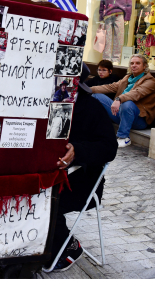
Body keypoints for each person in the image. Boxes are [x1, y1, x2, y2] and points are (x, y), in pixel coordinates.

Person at [44, 64, 117, 273]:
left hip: (82, 180)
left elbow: (109, 148)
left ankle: (68, 246)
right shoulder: (45, 103)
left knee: (46, 199)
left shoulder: (91, 108)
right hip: (49, 173)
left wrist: (78, 151)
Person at [91, 54, 155, 148]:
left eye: (138, 63)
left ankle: (124, 137)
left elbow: (136, 93)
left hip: (139, 119)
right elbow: (110, 87)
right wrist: (88, 89)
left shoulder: (150, 81)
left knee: (127, 103)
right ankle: (94, 129)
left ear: (144, 66)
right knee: (96, 96)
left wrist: (119, 99)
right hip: (121, 113)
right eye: (132, 63)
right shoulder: (128, 78)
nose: (134, 65)